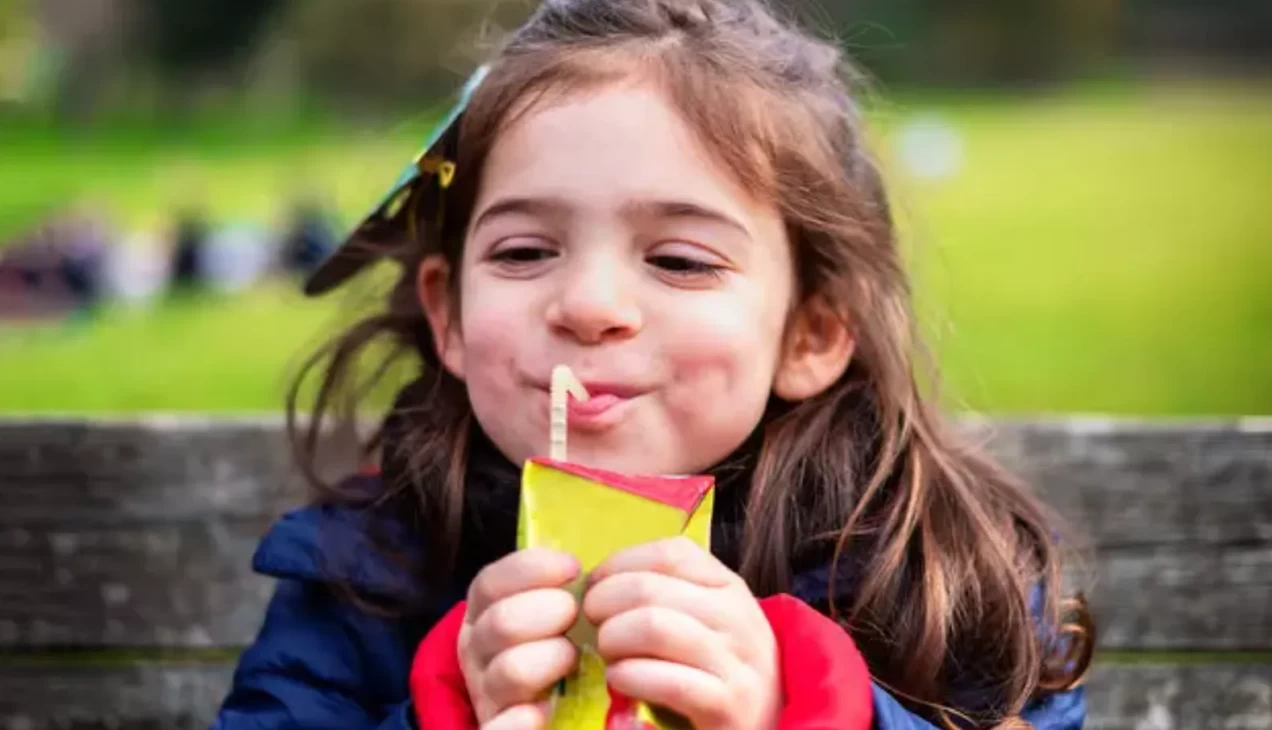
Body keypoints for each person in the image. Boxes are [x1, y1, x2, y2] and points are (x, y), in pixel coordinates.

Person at [212, 2, 1093, 729]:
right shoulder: (372, 570)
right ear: (448, 312)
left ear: (812, 334)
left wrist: (809, 709)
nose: (590, 306)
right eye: (523, 252)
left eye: (678, 260)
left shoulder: (924, 570)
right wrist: (441, 708)